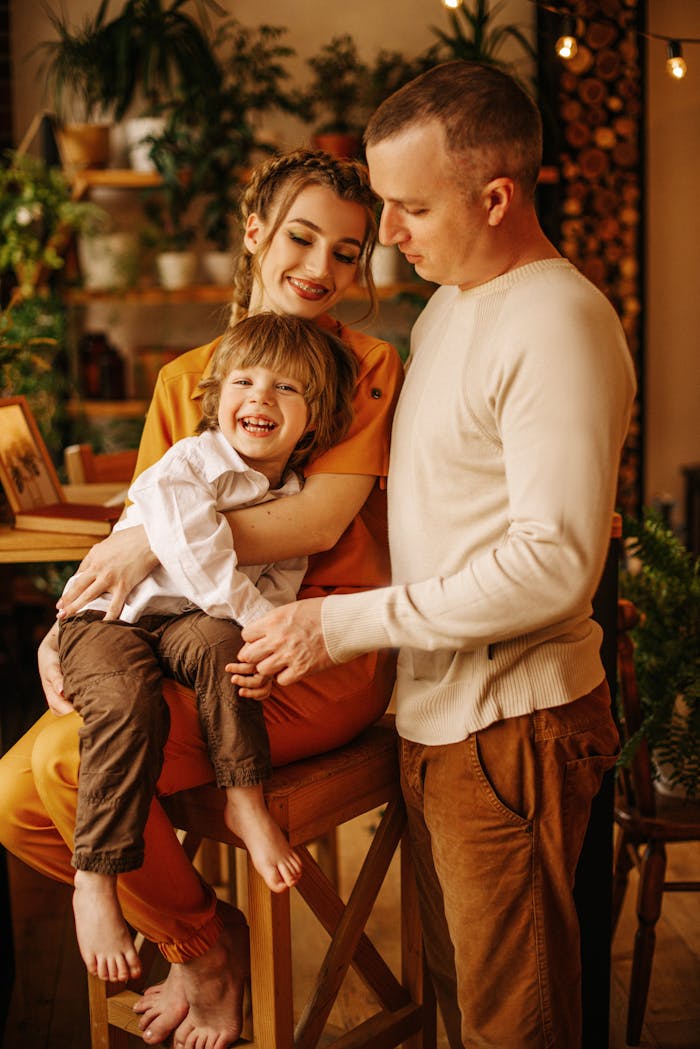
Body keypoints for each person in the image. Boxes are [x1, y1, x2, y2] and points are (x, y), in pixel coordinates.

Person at [237, 62, 638, 1049]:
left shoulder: (558, 319)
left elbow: (553, 561)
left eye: (409, 205)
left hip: (511, 724)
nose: (388, 233)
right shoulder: (450, 303)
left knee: (516, 1025)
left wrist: (335, 625)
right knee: (465, 1009)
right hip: (438, 721)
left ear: (495, 196)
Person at [0, 149, 403, 1049]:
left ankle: (199, 948)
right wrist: (71, 624)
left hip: (308, 651)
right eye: (302, 237)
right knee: (11, 799)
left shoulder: (368, 366)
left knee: (65, 766)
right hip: (185, 642)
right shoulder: (187, 378)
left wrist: (149, 535)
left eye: (348, 251)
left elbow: (314, 519)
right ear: (256, 232)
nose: (321, 269)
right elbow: (144, 534)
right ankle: (206, 925)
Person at [58, 310, 358, 983]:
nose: (259, 396)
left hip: (187, 629)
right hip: (110, 620)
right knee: (131, 702)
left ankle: (244, 798)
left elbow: (280, 585)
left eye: (287, 388)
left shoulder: (295, 494)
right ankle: (96, 876)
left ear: (316, 419)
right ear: (216, 397)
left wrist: (269, 640)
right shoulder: (191, 462)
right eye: (244, 381)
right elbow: (198, 558)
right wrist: (262, 625)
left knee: (232, 646)